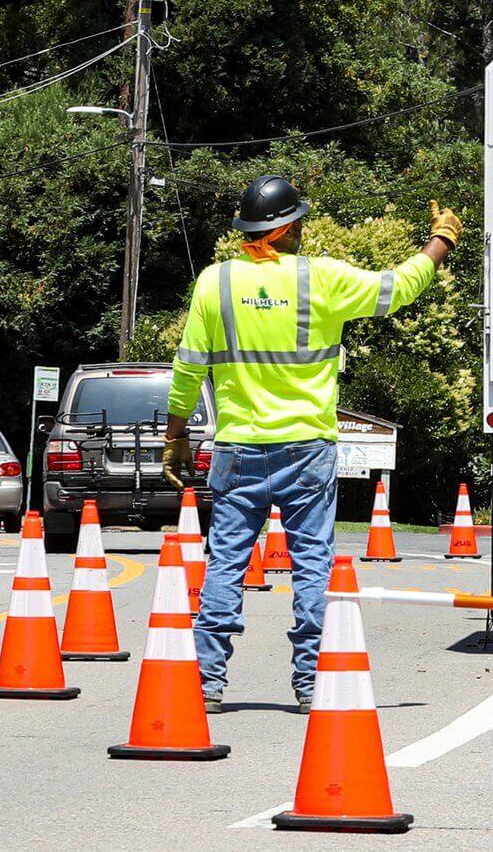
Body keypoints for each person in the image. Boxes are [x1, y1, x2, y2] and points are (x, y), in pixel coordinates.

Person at [162, 174, 459, 711]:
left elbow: (187, 368)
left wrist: (176, 437)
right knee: (312, 566)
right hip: (306, 451)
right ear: (286, 228)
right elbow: (398, 288)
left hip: (238, 449)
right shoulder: (320, 278)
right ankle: (309, 683)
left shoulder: (215, 283)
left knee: (226, 563)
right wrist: (439, 242)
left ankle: (206, 684)